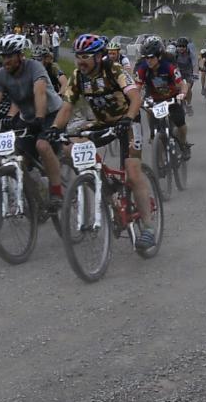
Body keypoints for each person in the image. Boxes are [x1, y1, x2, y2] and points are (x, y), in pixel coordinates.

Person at [47, 33, 157, 250]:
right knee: (69, 146)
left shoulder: (115, 71)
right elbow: (67, 106)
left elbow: (136, 97)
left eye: (86, 56)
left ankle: (148, 227)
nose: (80, 60)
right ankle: (100, 182)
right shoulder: (78, 76)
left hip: (127, 122)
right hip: (101, 121)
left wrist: (127, 119)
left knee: (133, 174)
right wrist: (54, 129)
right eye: (78, 56)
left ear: (99, 56)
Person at [0, 33, 66, 212]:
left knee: (42, 145)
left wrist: (40, 119)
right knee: (20, 158)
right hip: (27, 117)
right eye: (3, 56)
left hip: (50, 113)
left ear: (20, 55)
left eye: (10, 56)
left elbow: (39, 93)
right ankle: (36, 201)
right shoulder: (1, 74)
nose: (6, 60)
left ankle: (57, 192)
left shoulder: (34, 67)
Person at [135, 37, 192, 159]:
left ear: (159, 56)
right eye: (146, 58)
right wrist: (135, 100)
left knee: (181, 124)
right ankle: (155, 143)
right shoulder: (143, 69)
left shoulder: (169, 67)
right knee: (150, 112)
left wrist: (183, 93)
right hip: (155, 98)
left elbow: (182, 84)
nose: (149, 60)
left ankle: (183, 144)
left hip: (172, 97)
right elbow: (137, 87)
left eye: (152, 57)